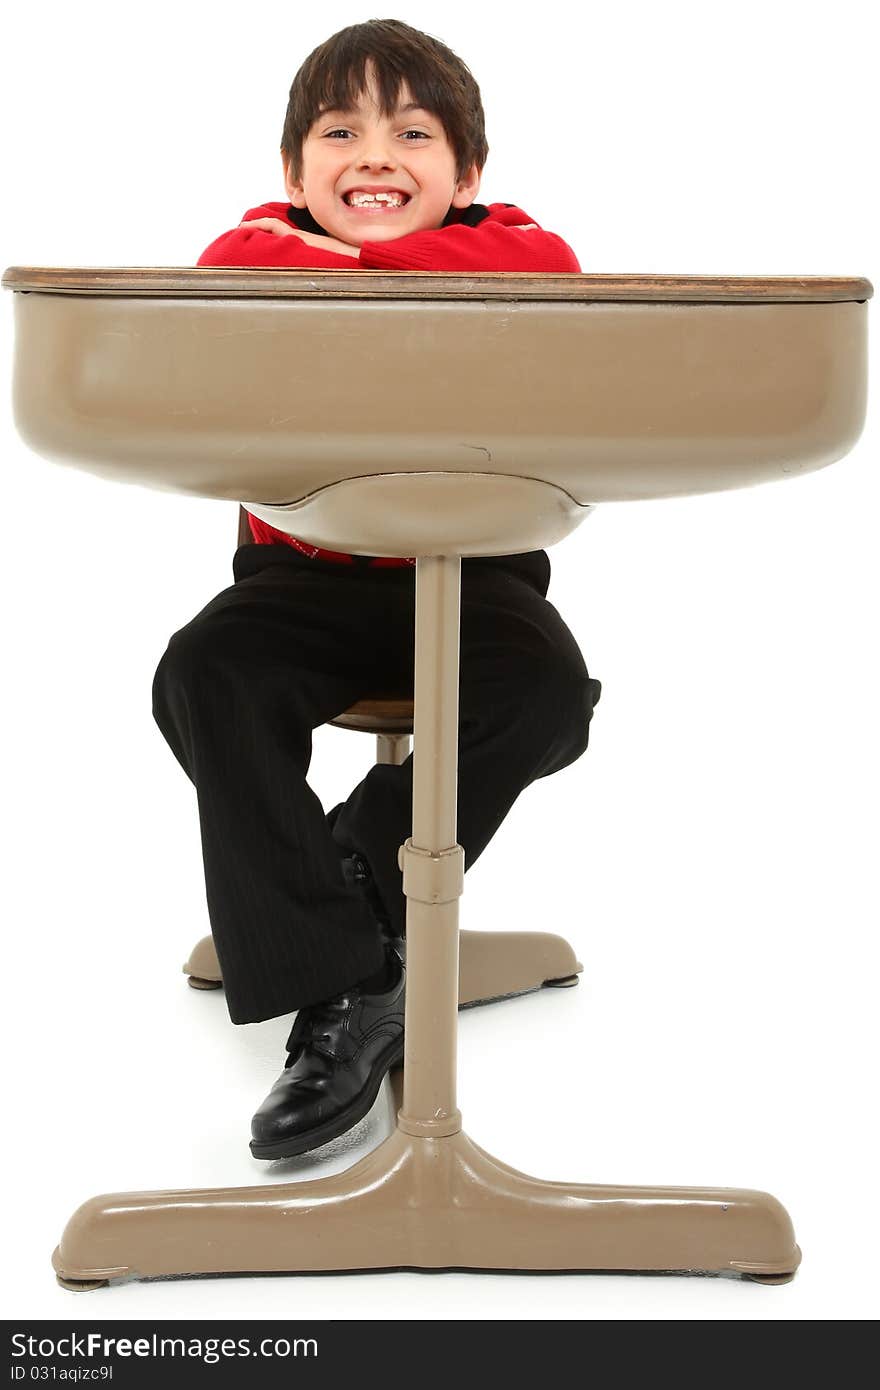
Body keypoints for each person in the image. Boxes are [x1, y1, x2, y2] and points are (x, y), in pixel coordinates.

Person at [152, 18, 602, 1161]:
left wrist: (360, 262)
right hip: (301, 575)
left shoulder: (514, 245)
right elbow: (232, 272)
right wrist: (355, 257)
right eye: (339, 133)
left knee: (548, 690)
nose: (375, 157)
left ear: (469, 175)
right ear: (292, 173)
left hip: (473, 576)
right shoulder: (261, 247)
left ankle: (346, 879)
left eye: (413, 134)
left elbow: (543, 273)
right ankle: (346, 975)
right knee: (207, 673)